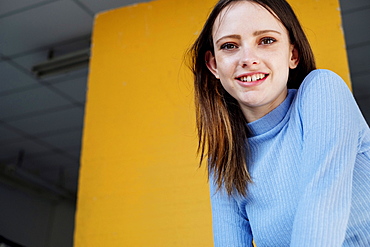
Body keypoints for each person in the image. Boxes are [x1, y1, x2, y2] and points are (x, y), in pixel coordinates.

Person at [188, 0, 370, 246]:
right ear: (214, 65)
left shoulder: (322, 90)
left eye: (266, 40)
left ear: (292, 55)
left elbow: (320, 213)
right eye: (230, 46)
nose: (248, 59)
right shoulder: (224, 159)